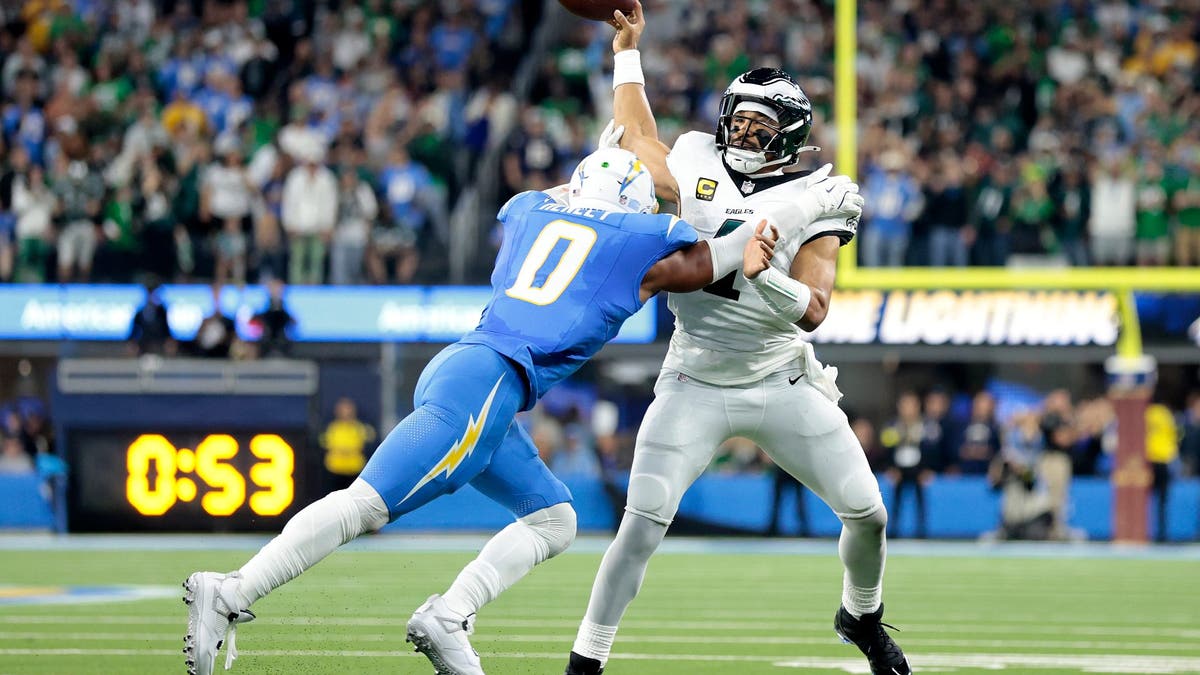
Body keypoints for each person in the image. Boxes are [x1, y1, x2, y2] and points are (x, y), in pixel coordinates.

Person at [183, 146, 847, 675]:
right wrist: (781, 220)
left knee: (555, 517)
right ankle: (234, 588)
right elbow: (701, 260)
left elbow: (570, 200)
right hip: (488, 385)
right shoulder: (632, 239)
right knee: (366, 504)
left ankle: (450, 615)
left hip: (471, 370)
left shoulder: (530, 212)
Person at [565, 6, 906, 675]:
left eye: (762, 123)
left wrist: (762, 276)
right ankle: (585, 661)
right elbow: (636, 134)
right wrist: (627, 53)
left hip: (781, 379)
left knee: (867, 512)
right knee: (641, 522)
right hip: (692, 376)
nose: (745, 131)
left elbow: (814, 309)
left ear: (792, 136)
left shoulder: (820, 192)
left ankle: (860, 615)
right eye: (740, 117)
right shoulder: (694, 158)